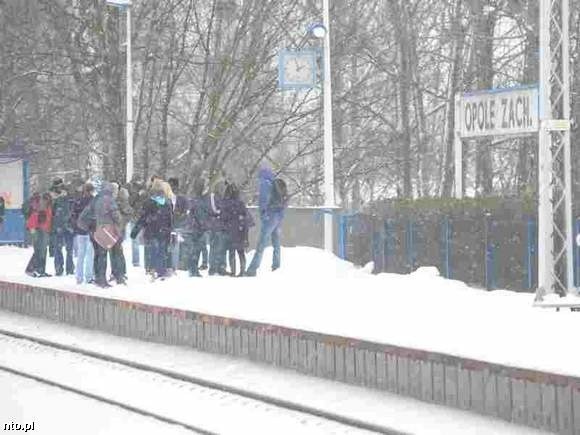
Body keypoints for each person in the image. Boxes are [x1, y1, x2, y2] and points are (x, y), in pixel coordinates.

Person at [245, 166, 289, 276]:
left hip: (270, 217)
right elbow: (284, 201)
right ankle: (276, 266)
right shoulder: (275, 183)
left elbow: (263, 200)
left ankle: (252, 269)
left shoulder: (265, 183)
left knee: (261, 244)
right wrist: (280, 215)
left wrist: (263, 215)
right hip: (278, 216)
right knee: (276, 243)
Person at [78, 181, 123, 288]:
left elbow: (82, 217)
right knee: (104, 255)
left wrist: (89, 228)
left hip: (94, 231)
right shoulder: (109, 200)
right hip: (106, 230)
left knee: (98, 255)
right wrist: (119, 225)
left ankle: (98, 277)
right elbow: (116, 216)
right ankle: (104, 279)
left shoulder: (95, 199)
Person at [131, 179, 173, 280]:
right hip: (163, 231)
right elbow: (170, 218)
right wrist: (170, 230)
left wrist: (135, 231)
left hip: (151, 230)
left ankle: (152, 269)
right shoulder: (167, 202)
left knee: (152, 250)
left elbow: (143, 217)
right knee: (161, 252)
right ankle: (161, 271)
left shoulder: (149, 202)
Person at [222, 182, 254, 276]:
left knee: (231, 252)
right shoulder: (241, 204)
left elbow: (224, 217)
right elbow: (247, 218)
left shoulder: (227, 203)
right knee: (241, 252)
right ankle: (242, 271)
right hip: (241, 230)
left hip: (231, 230)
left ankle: (233, 271)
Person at [184, 178, 210, 277]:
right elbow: (201, 216)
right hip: (198, 229)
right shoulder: (200, 201)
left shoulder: (193, 199)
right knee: (196, 250)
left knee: (194, 250)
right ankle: (193, 270)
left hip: (193, 227)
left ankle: (192, 269)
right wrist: (204, 226)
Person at [71, 182, 95, 284]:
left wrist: (76, 227)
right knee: (90, 255)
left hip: (80, 231)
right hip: (90, 231)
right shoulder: (94, 201)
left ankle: (78, 277)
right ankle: (88, 277)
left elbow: (73, 215)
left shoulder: (78, 201)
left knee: (80, 254)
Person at [49, 179, 75, 276]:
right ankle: (67, 269)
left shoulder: (60, 199)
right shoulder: (67, 198)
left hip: (61, 227)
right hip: (65, 227)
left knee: (61, 249)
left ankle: (62, 268)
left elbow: (54, 214)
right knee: (66, 249)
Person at [109, 182, 132, 284]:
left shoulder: (121, 201)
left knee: (117, 251)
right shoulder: (112, 200)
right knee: (114, 251)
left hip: (117, 229)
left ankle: (120, 273)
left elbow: (128, 213)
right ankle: (116, 272)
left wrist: (121, 223)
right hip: (112, 229)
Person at [25, 192, 53, 277]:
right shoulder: (42, 206)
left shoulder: (46, 206)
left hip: (44, 230)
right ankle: (31, 269)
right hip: (40, 230)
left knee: (42, 251)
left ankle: (40, 270)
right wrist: (33, 230)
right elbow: (36, 219)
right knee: (39, 251)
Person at [168, 177, 189, 272]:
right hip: (169, 225)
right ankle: (171, 264)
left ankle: (181, 264)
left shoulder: (183, 199)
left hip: (179, 225)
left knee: (179, 246)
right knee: (171, 246)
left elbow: (186, 211)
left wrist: (180, 216)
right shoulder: (165, 198)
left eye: (172, 186)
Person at [207, 179, 228, 276]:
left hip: (216, 225)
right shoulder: (216, 198)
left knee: (216, 247)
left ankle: (216, 267)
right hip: (218, 226)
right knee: (219, 247)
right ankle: (218, 267)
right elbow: (218, 210)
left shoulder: (213, 197)